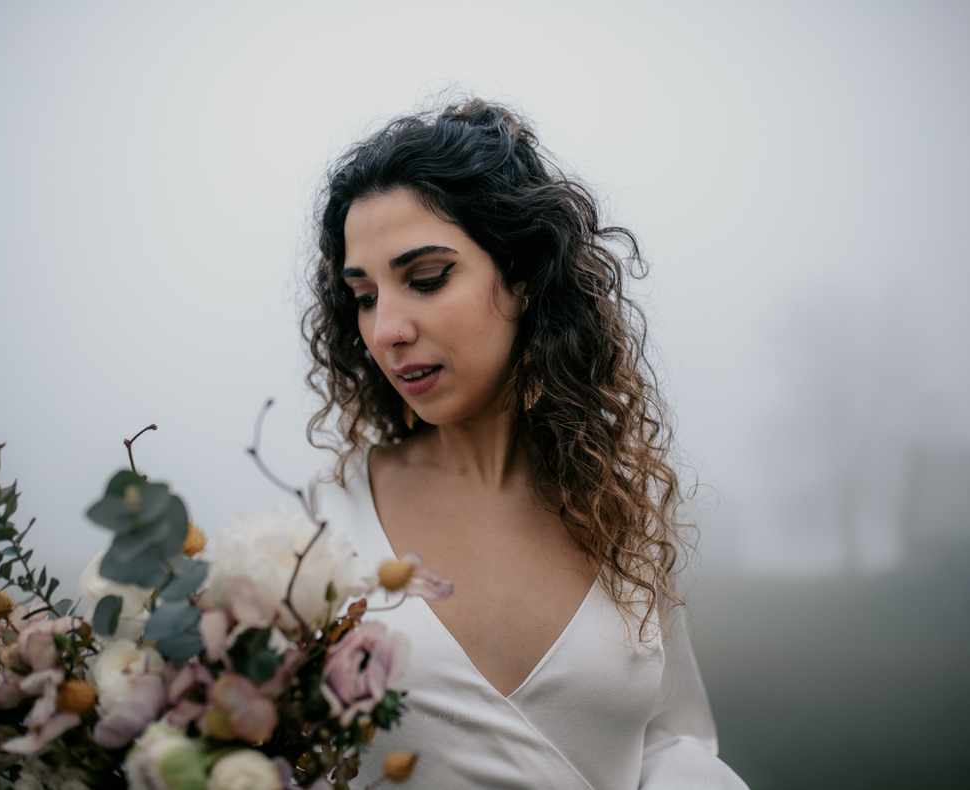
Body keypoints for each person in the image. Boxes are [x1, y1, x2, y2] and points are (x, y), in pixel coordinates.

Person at [303, 98, 747, 789]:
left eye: (424, 280)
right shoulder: (325, 522)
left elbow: (669, 738)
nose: (386, 328)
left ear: (522, 276)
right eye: (363, 296)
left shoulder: (624, 507)